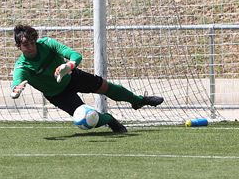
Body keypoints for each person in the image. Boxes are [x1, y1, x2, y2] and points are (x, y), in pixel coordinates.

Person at [10, 24, 164, 133]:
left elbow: (75, 55)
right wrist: (15, 90)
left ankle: (138, 101)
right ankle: (110, 120)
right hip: (58, 95)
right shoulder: (22, 67)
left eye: (32, 42)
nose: (31, 46)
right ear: (19, 46)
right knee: (88, 119)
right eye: (25, 44)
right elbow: (17, 82)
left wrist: (69, 66)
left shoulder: (48, 44)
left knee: (106, 87)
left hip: (72, 76)